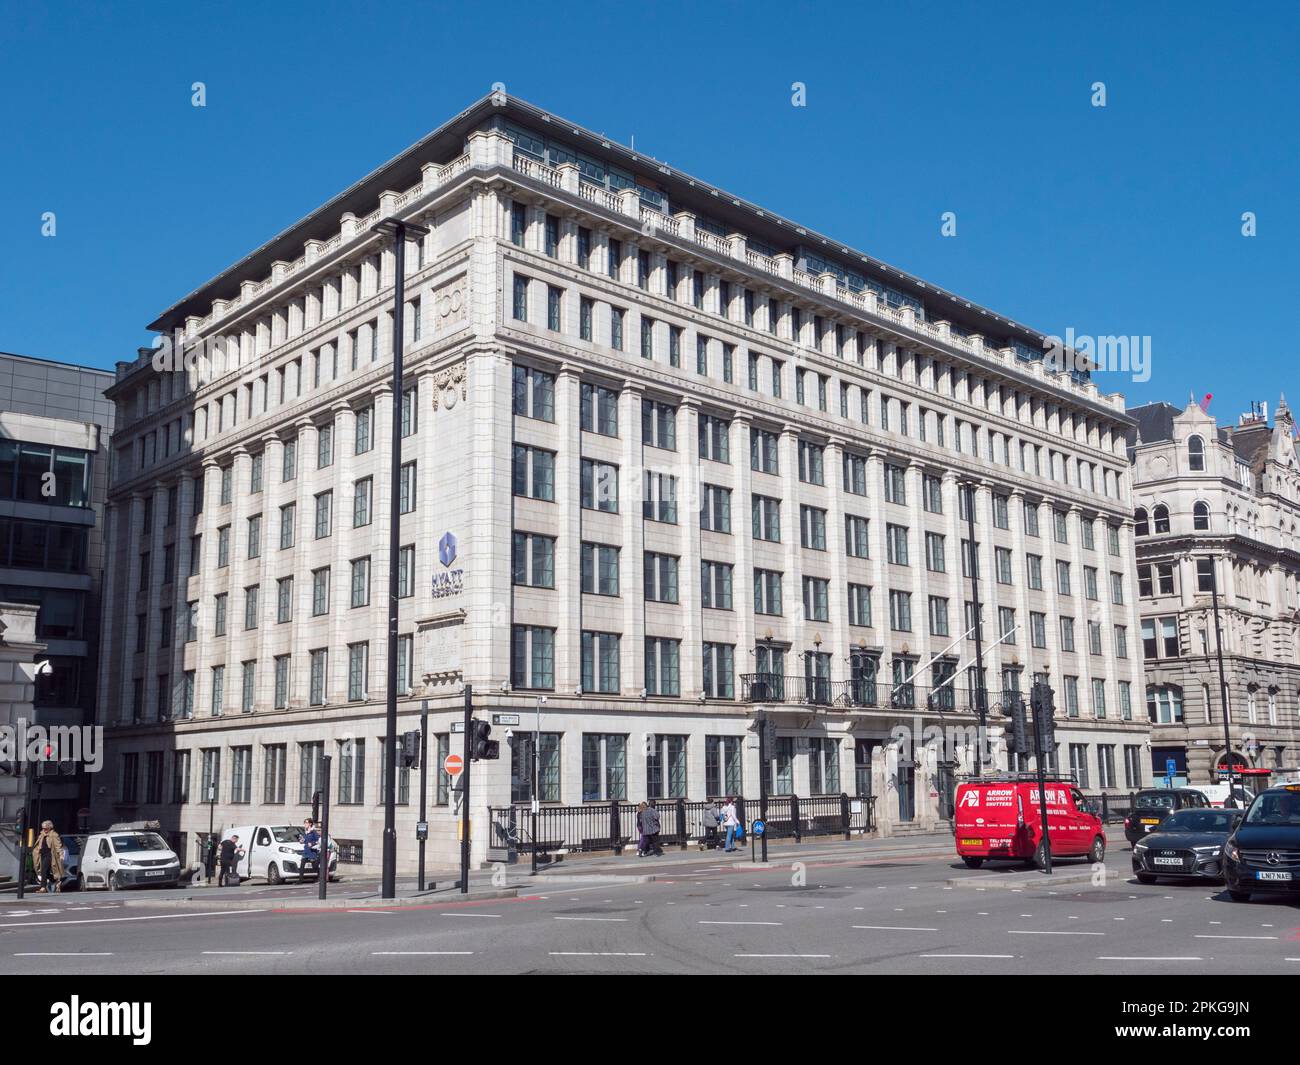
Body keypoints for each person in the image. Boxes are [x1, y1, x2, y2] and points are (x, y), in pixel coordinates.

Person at [31, 821, 64, 893]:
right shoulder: (41, 835)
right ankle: (56, 881)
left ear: (50, 827)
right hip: (41, 855)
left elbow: (58, 846)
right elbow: (38, 845)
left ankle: (43, 887)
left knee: (44, 870)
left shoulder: (54, 835)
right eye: (43, 828)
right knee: (43, 871)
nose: (44, 829)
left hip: (50, 855)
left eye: (46, 828)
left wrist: (61, 854)